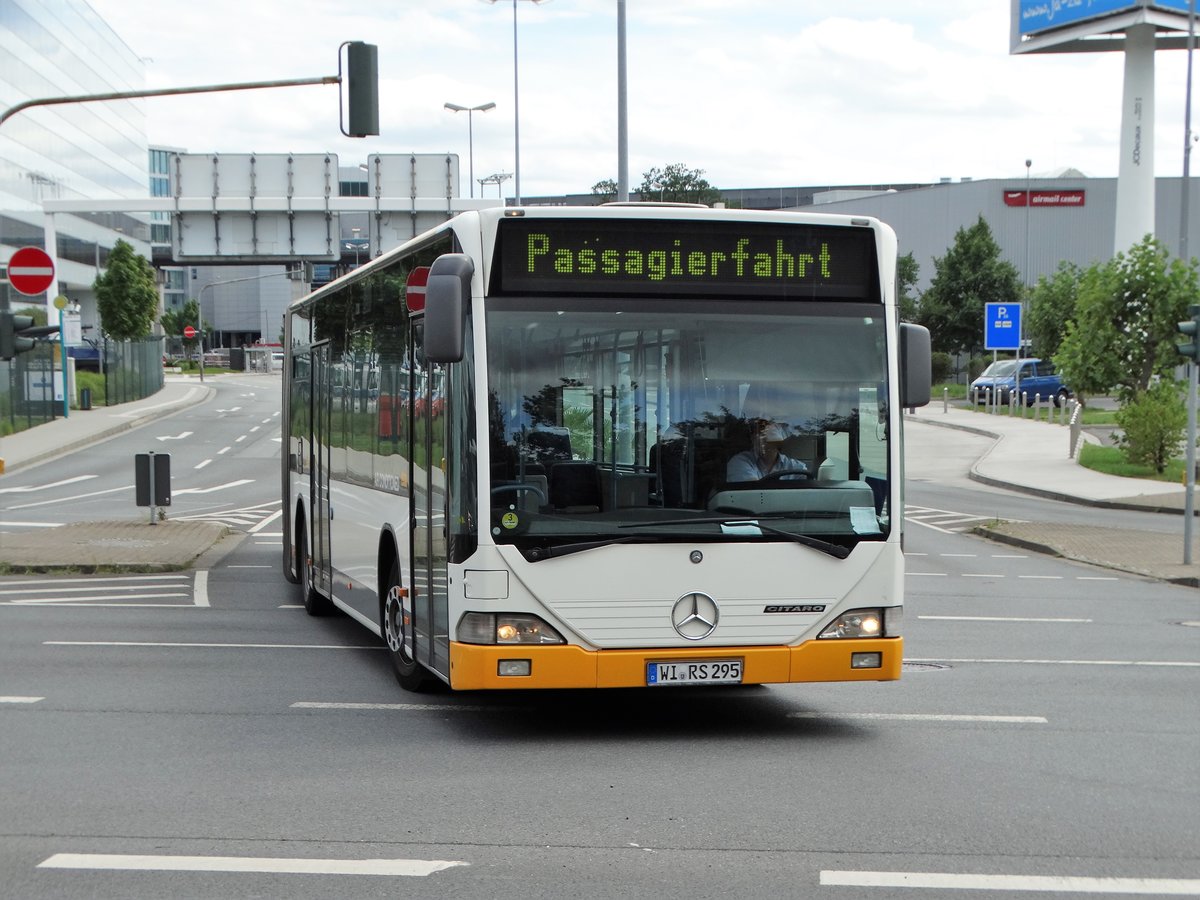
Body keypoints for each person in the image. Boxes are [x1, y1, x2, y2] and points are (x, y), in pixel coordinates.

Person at [726, 421, 808, 482]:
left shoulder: (796, 467)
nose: (761, 438)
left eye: (771, 434)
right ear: (752, 438)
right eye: (759, 433)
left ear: (780, 441)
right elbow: (753, 493)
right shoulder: (739, 462)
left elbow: (807, 494)